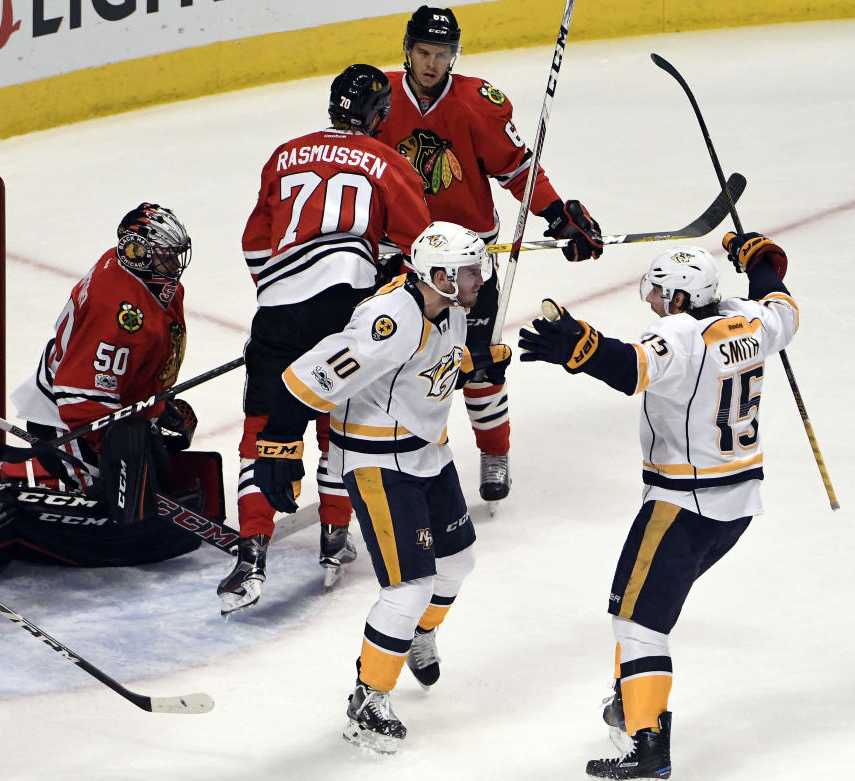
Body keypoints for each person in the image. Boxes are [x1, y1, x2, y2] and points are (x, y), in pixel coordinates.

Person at [517, 232, 798, 779]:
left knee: (637, 623)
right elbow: (780, 298)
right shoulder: (755, 321)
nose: (650, 299)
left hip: (682, 503)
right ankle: (632, 700)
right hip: (737, 504)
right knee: (640, 615)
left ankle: (648, 746)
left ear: (679, 298)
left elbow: (632, 369)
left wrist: (581, 346)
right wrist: (762, 259)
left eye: (659, 291)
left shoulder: (679, 332)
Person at [251, 222, 510, 752]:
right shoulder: (388, 321)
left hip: (426, 451)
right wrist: (277, 446)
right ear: (437, 276)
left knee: (457, 563)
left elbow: (433, 368)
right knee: (408, 587)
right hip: (377, 461)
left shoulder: (450, 309)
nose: (478, 279)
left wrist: (474, 362)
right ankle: (369, 698)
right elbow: (309, 379)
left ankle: (416, 633)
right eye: (468, 271)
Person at [221, 63, 432, 613]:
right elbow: (421, 249)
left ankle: (250, 550)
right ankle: (335, 533)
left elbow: (254, 243)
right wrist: (386, 271)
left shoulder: (285, 153)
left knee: (262, 427)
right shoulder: (386, 161)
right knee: (338, 416)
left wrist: (282, 300)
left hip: (276, 309)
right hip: (344, 304)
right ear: (379, 115)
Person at [375, 5, 604, 506]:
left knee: (480, 364)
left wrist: (555, 212)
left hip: (468, 261)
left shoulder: (477, 103)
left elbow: (517, 168)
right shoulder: (379, 97)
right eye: (423, 52)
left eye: (441, 54)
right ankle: (407, 458)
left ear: (453, 56)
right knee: (400, 366)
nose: (431, 63)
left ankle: (494, 453)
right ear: (407, 51)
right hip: (399, 257)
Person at [0, 203, 218, 577]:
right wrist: (113, 454)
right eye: (166, 256)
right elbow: (79, 397)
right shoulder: (120, 314)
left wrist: (155, 411)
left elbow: (136, 367)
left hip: (108, 402)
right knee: (101, 499)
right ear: (139, 253)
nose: (174, 264)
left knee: (149, 476)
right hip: (65, 413)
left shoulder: (141, 279)